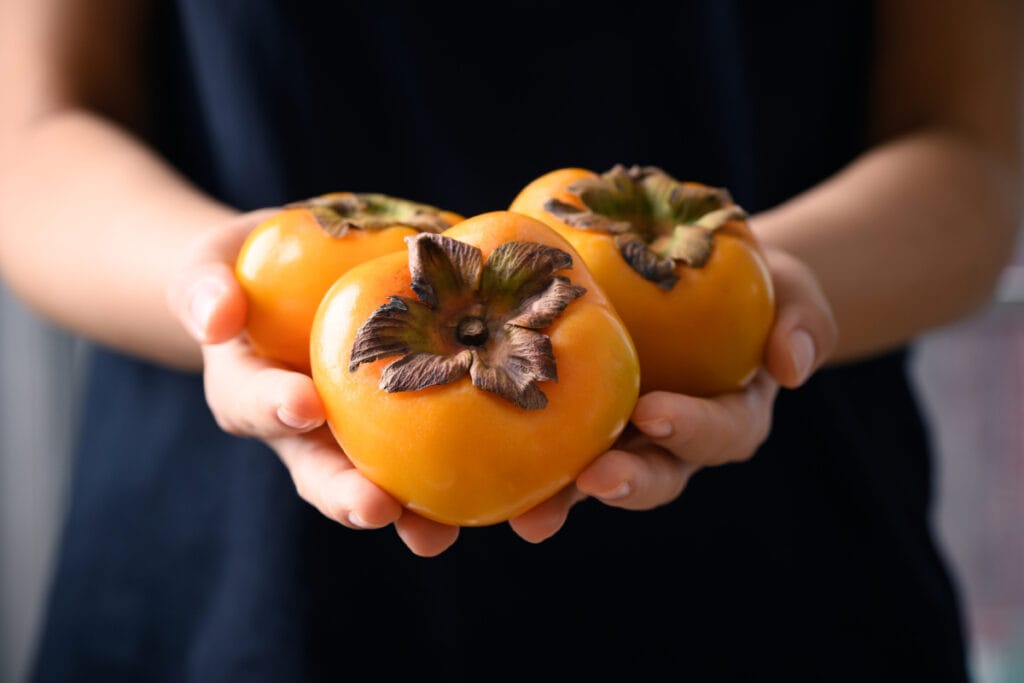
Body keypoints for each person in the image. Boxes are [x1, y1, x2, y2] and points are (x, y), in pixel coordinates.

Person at [0, 1, 1019, 680]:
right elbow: (29, 143)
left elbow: (977, 160)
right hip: (227, 588)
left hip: (789, 586)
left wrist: (766, 289)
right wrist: (216, 288)